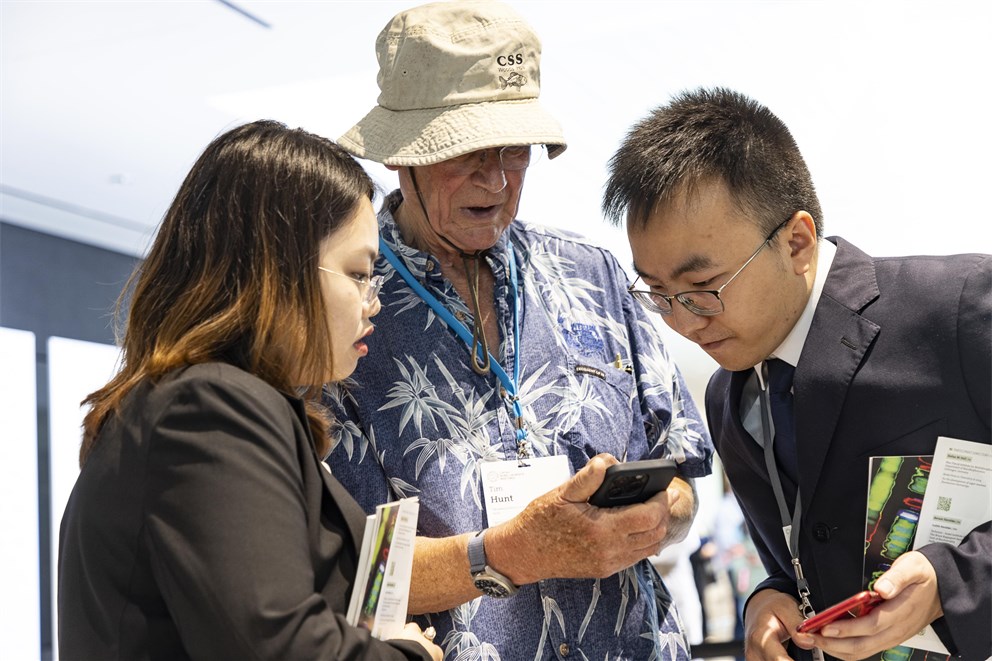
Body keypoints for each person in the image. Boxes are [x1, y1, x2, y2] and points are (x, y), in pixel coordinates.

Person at [321, 1, 713, 659]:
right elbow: (354, 574)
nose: (498, 178)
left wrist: (658, 517)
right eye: (467, 152)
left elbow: (680, 476)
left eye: (514, 150)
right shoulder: (342, 308)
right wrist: (511, 553)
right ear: (400, 156)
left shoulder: (594, 275)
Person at [602, 86, 991, 660]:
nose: (683, 322)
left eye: (704, 287)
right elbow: (799, 555)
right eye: (658, 293)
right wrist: (768, 599)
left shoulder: (960, 307)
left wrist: (951, 584)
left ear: (797, 242)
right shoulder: (727, 397)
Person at [57, 120, 442, 661]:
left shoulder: (198, 403)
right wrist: (409, 654)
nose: (372, 301)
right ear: (279, 269)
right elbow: (277, 644)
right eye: (359, 274)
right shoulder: (209, 407)